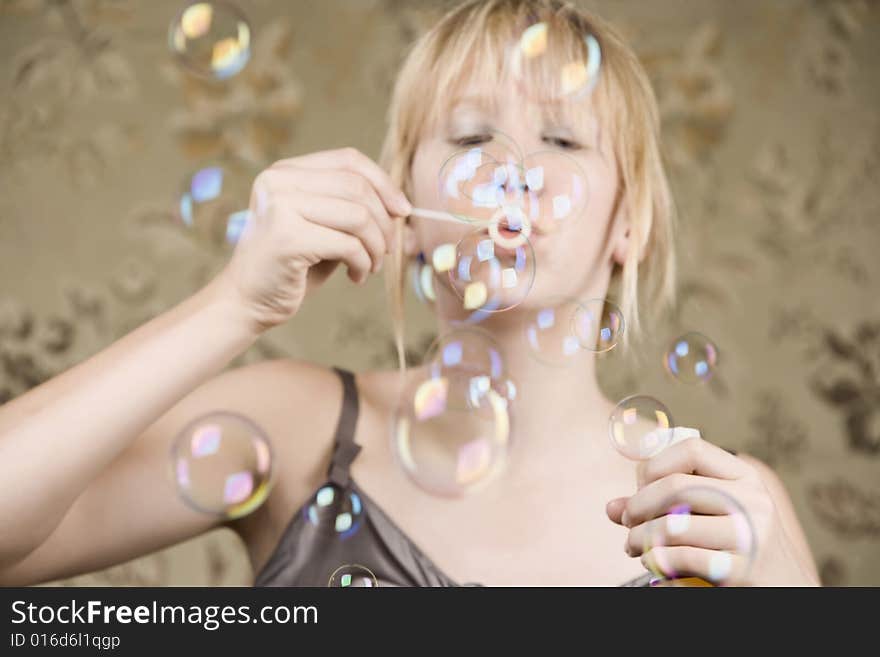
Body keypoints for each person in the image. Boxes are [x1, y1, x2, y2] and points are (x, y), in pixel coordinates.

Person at [0, 0, 819, 587]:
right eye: (470, 136)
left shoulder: (713, 500)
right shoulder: (298, 431)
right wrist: (235, 304)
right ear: (406, 206)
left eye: (563, 139)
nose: (514, 172)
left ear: (627, 225)